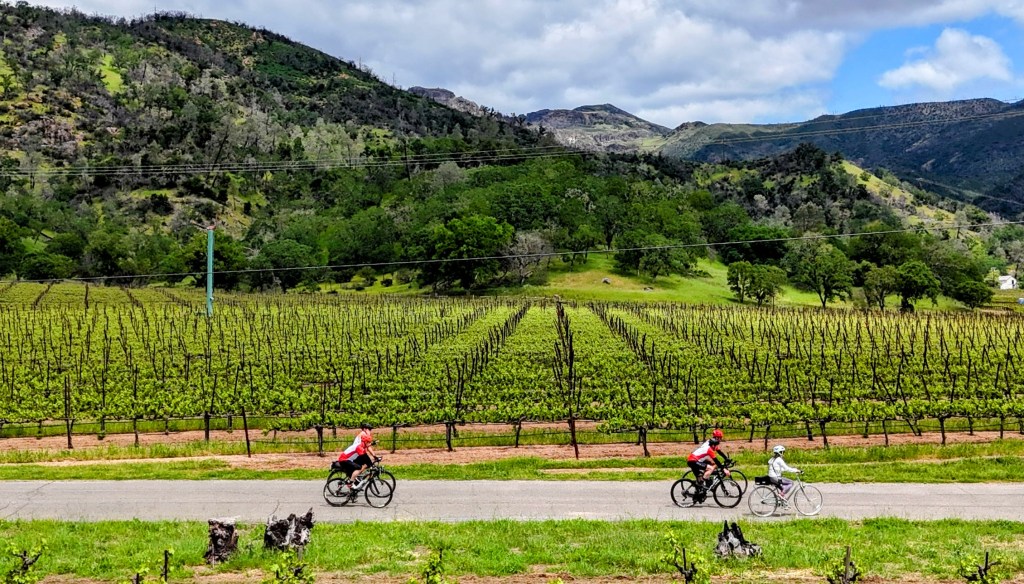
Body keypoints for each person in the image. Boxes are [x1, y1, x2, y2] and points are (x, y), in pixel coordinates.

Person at [337, 423, 378, 487]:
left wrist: (374, 456)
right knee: (363, 465)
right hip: (354, 455)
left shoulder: (364, 437)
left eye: (370, 429)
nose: (370, 431)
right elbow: (367, 447)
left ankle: (355, 477)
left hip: (355, 454)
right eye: (369, 429)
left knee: (366, 464)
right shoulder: (363, 434)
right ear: (364, 429)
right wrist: (374, 457)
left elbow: (367, 445)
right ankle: (353, 479)